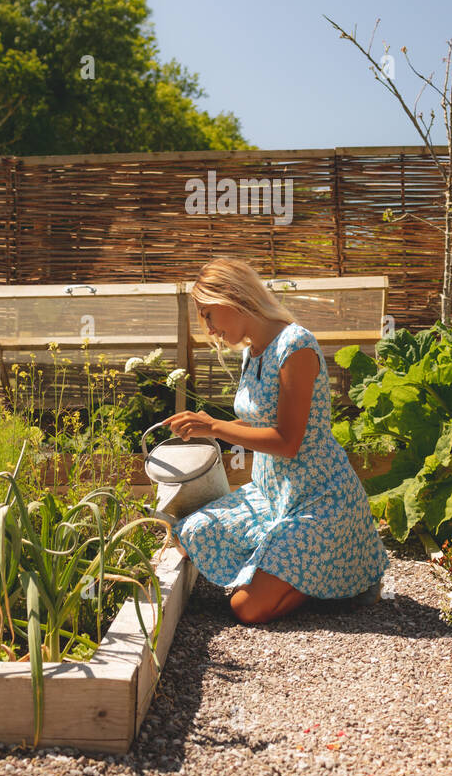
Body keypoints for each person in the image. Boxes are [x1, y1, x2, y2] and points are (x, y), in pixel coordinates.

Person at [165, 258, 389, 625]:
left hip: (320, 501)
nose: (208, 328)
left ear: (233, 297)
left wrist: (217, 428)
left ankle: (340, 572)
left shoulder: (295, 345)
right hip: (271, 496)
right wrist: (208, 428)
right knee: (191, 532)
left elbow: (287, 442)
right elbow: (258, 422)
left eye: (208, 314)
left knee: (246, 608)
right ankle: (297, 567)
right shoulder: (251, 352)